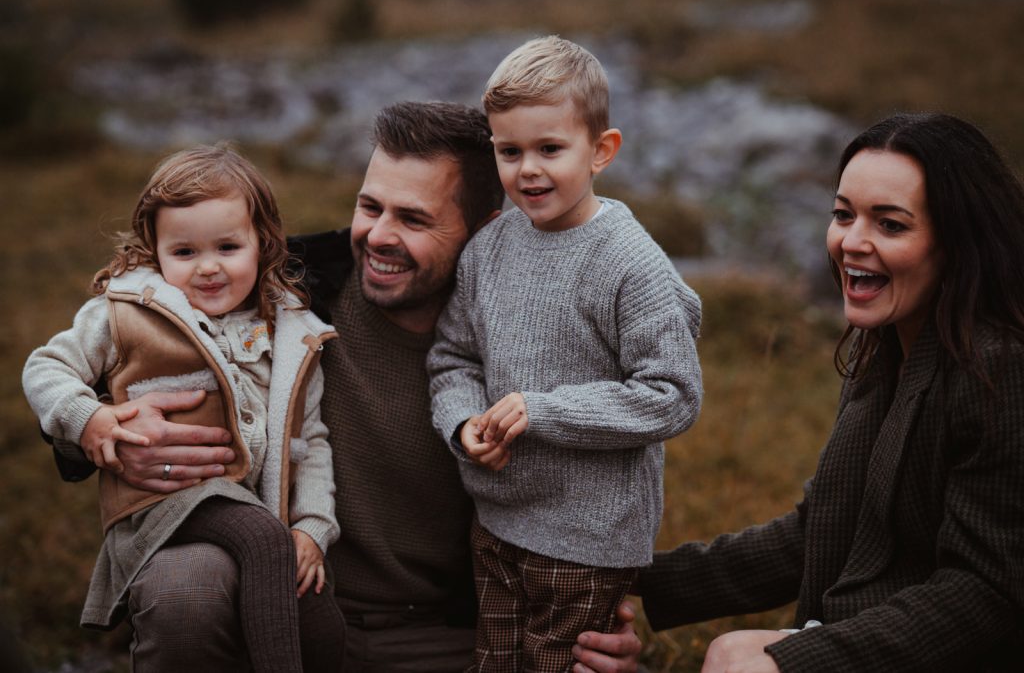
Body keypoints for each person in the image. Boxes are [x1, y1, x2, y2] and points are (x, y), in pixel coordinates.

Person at [46, 102, 643, 672]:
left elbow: (591, 490)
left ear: (484, 231)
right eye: (370, 206)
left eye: (413, 219)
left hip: (440, 634)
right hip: (277, 595)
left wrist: (602, 616)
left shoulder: (528, 343)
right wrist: (114, 431)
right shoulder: (283, 285)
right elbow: (86, 374)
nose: (378, 236)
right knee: (186, 594)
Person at [630, 113, 1024, 672]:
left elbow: (985, 593)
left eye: (890, 225)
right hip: (877, 630)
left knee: (743, 660)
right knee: (725, 652)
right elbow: (819, 531)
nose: (851, 242)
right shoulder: (885, 353)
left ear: (957, 240)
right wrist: (632, 576)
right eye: (843, 215)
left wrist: (801, 661)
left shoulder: (1000, 370)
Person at [426, 36, 703, 671]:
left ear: (601, 150)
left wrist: (545, 412)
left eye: (551, 149)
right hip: (495, 523)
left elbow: (674, 394)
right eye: (509, 151)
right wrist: (463, 424)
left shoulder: (630, 264)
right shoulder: (489, 249)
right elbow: (453, 359)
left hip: (589, 539)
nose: (528, 170)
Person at [23, 144, 345, 673]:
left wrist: (312, 525)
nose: (209, 268)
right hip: (161, 506)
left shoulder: (292, 333)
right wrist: (90, 419)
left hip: (253, 510)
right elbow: (43, 367)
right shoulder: (128, 312)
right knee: (264, 537)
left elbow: (309, 442)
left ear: (263, 242)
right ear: (154, 249)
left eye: (227, 246)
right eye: (185, 252)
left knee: (315, 606)